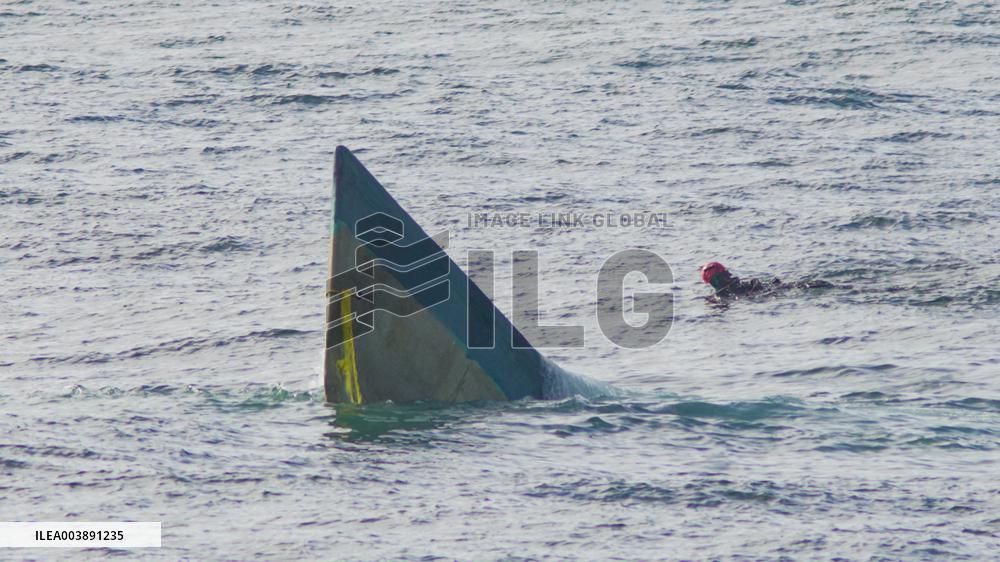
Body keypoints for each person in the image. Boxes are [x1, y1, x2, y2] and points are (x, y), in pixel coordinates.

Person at [700, 261, 834, 299]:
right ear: (717, 279)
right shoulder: (723, 295)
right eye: (724, 273)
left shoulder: (728, 290)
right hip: (774, 292)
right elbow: (747, 296)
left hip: (775, 289)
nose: (729, 274)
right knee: (816, 285)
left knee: (819, 284)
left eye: (726, 272)